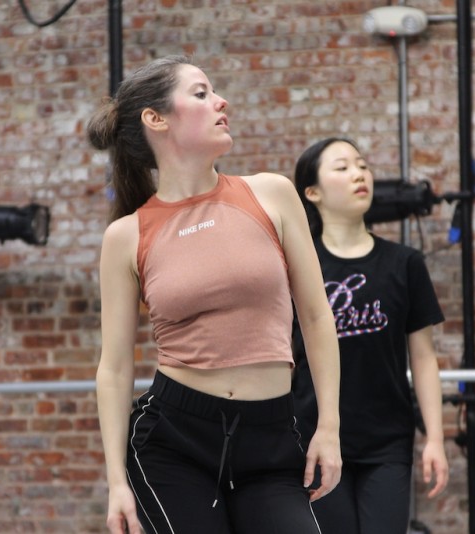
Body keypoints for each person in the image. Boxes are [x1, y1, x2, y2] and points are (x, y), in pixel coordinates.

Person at [88, 55, 342, 534]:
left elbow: (314, 314)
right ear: (156, 119)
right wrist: (116, 481)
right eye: (201, 93)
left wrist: (328, 426)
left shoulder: (271, 193)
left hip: (270, 437)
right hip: (173, 442)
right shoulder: (126, 235)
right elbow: (115, 366)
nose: (221, 101)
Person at [291, 137, 449, 534]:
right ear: (312, 192)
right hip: (314, 437)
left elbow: (424, 357)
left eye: (362, 165)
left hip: (387, 440)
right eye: (342, 168)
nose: (359, 174)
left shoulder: (404, 263)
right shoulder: (297, 264)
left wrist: (435, 438)